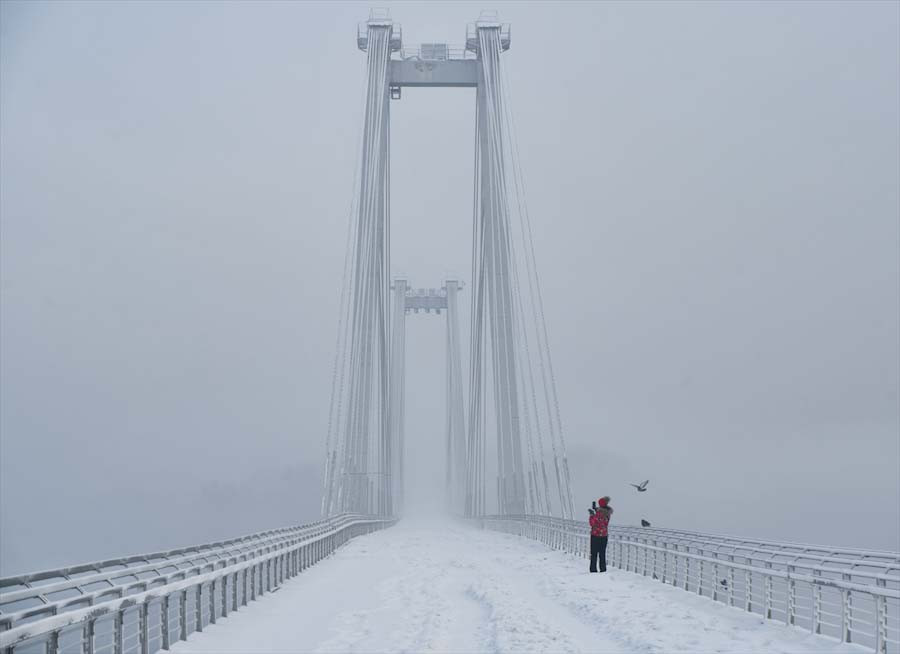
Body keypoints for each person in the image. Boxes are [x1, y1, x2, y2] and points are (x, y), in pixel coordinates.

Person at [589, 496, 613, 573]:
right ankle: (603, 569)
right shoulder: (608, 513)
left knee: (594, 554)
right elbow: (603, 521)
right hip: (604, 536)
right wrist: (596, 511)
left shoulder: (599, 514)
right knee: (602, 554)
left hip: (595, 536)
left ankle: (593, 569)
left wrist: (591, 515)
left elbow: (592, 523)